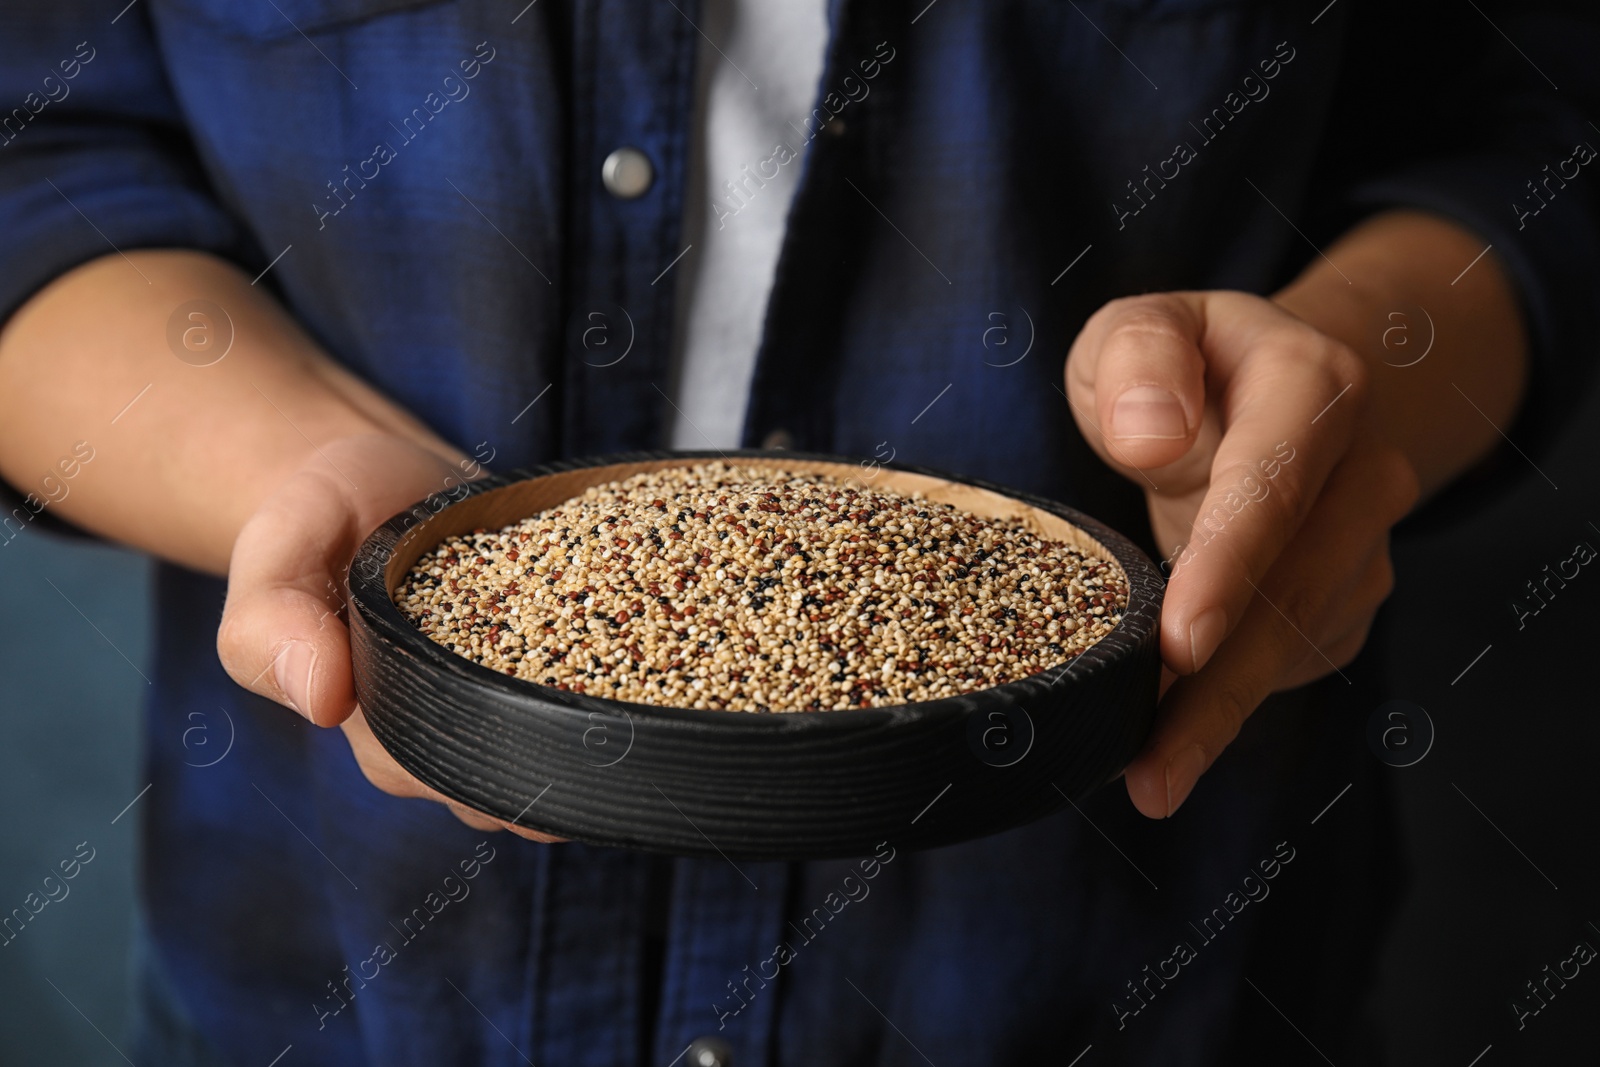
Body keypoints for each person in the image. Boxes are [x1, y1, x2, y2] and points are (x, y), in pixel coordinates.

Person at [1, 0, 1594, 1063]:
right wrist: (299, 459)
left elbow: (1530, 125)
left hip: (1111, 980)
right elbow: (36, 151)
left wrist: (1352, 399)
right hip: (347, 984)